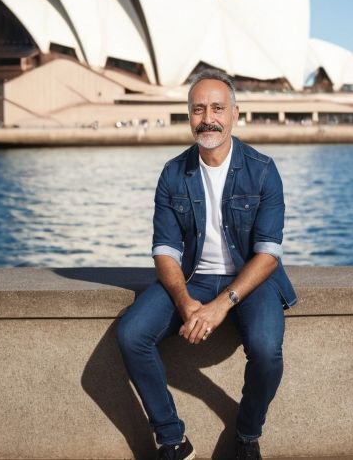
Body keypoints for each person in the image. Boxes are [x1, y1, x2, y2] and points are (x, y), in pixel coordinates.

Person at [116, 70, 297, 460]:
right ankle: (172, 441)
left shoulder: (263, 170)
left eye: (217, 108)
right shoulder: (173, 173)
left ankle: (247, 435)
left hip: (252, 279)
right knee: (131, 334)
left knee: (267, 350)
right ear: (189, 116)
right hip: (194, 279)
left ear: (235, 114)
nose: (208, 118)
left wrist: (221, 305)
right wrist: (185, 302)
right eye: (198, 109)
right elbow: (165, 252)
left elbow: (268, 254)